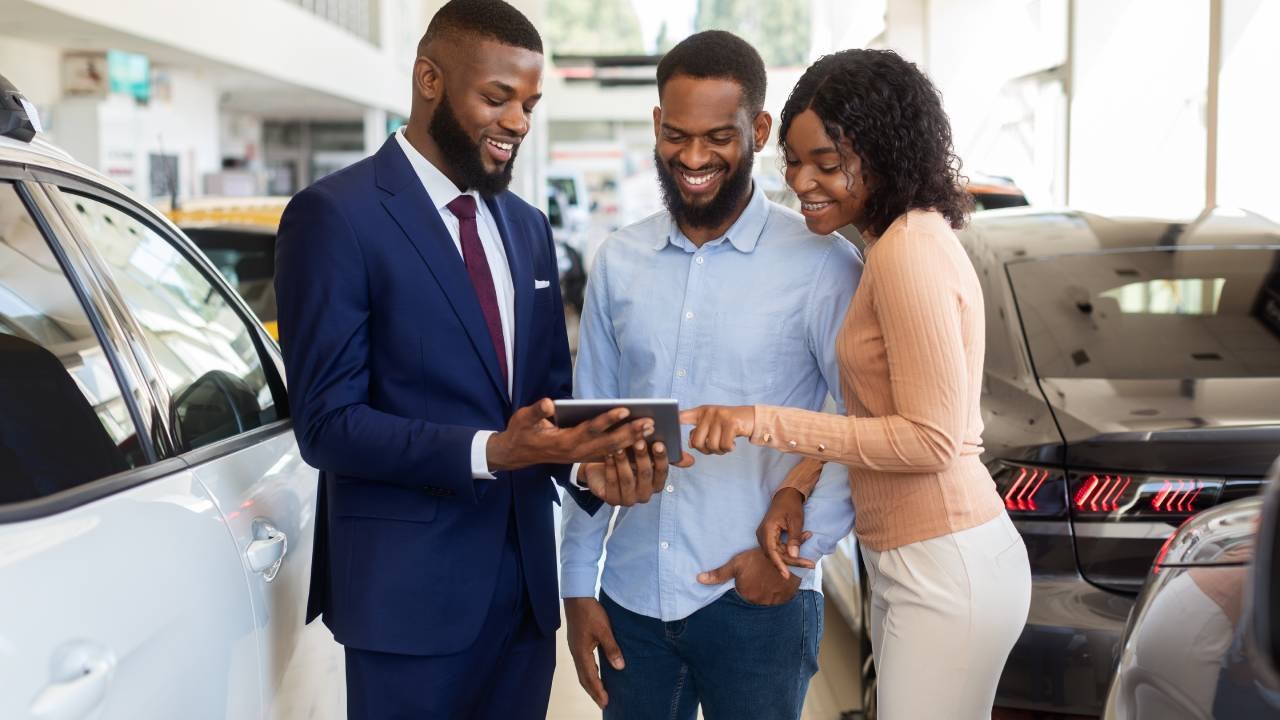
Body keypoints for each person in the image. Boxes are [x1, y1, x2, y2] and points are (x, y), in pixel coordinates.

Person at [273, 2, 666, 717]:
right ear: (429, 78)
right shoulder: (336, 214)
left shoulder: (526, 227)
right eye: (497, 97)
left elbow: (544, 403)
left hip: (521, 603)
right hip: (406, 605)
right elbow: (327, 425)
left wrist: (588, 463)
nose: (517, 120)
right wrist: (493, 451)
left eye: (529, 103)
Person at [680, 48, 1033, 719]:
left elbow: (929, 440)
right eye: (793, 158)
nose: (801, 180)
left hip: (944, 561)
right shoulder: (898, 242)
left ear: (885, 154)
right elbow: (872, 410)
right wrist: (797, 482)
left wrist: (758, 418)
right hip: (928, 555)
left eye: (827, 163)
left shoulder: (905, 252)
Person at [559, 31, 861, 720]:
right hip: (631, 598)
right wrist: (579, 582)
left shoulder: (823, 265)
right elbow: (591, 433)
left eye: (718, 137)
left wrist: (799, 553)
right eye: (678, 135)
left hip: (757, 600)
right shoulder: (620, 260)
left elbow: (857, 429)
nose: (693, 158)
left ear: (757, 130)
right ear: (658, 127)